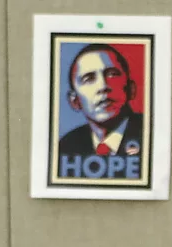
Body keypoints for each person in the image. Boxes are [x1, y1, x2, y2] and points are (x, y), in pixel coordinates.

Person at [57, 43, 145, 180]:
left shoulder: (151, 135)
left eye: (112, 74)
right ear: (75, 101)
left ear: (131, 89)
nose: (103, 86)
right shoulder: (66, 146)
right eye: (89, 79)